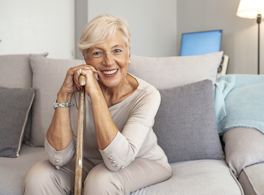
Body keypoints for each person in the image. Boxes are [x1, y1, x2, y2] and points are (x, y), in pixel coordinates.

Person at [24, 14, 172, 195]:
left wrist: (95, 94)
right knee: (38, 176)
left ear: (129, 54)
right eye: (97, 52)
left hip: (142, 161)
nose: (109, 61)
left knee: (100, 180)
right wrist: (64, 94)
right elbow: (58, 158)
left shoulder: (147, 95)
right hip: (89, 161)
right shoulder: (76, 89)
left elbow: (116, 161)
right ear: (86, 59)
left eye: (117, 50)